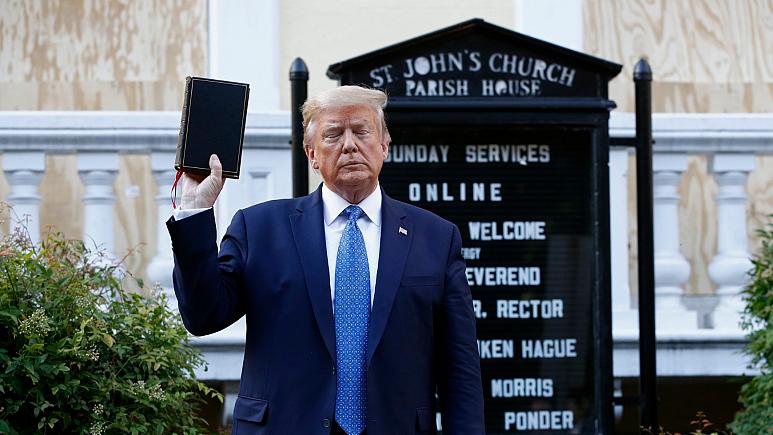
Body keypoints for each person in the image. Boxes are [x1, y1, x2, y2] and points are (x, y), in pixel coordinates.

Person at [167, 85, 484, 434]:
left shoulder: (436, 238)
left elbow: (460, 368)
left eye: (361, 131)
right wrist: (195, 211)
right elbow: (203, 316)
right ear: (312, 154)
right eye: (333, 134)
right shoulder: (259, 229)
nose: (349, 145)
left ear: (384, 145)